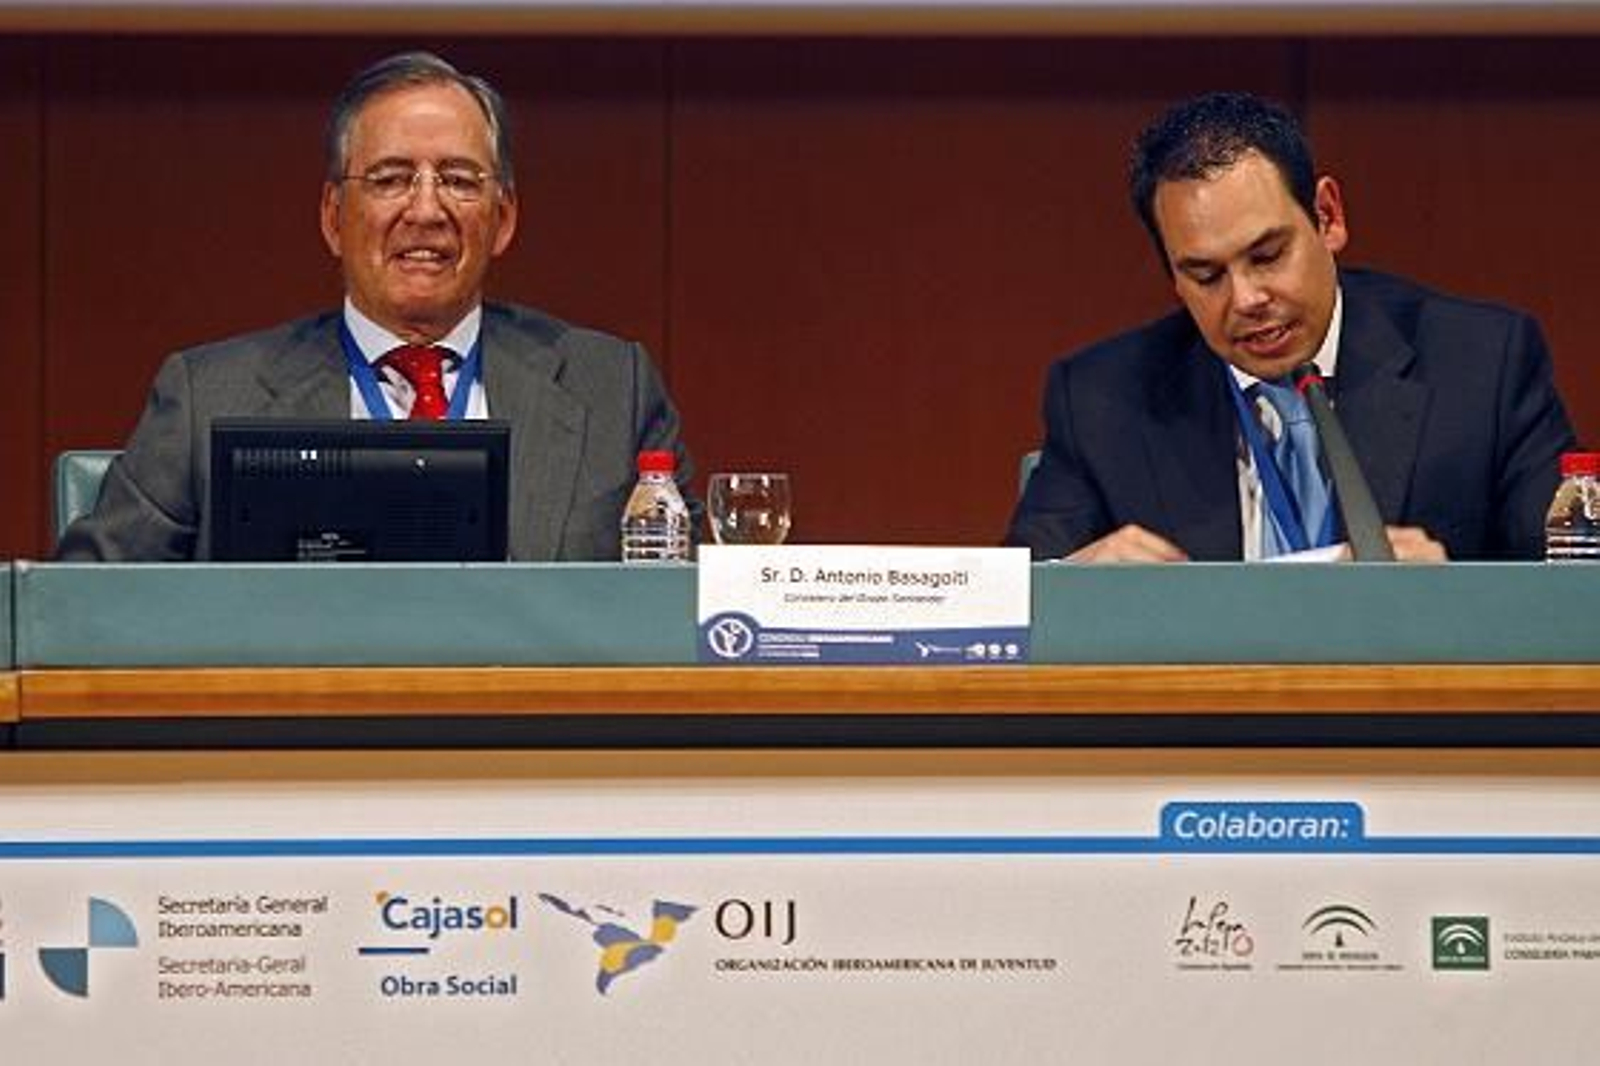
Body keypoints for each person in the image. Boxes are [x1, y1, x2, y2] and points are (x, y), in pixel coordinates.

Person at [56, 51, 695, 562]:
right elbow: (84, 609)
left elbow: (694, 611)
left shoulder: (613, 389)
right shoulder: (207, 396)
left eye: (458, 180)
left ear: (503, 220)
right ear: (334, 218)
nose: (425, 210)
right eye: (390, 179)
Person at [1005, 91, 1576, 563]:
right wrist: (1069, 583)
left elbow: (1576, 588)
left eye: (1268, 255)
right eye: (1205, 275)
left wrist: (1447, 595)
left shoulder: (1481, 365)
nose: (1247, 299)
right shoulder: (1103, 400)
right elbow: (997, 608)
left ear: (1327, 216)